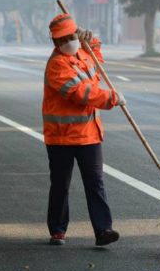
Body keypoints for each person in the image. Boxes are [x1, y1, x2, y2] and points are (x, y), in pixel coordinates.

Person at [43, 13, 126, 246]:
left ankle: (103, 231)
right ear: (55, 43)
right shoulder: (57, 65)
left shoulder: (82, 53)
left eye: (72, 36)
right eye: (62, 40)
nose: (68, 42)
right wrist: (112, 98)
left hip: (88, 134)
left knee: (95, 182)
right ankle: (57, 230)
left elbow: (96, 60)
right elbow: (81, 93)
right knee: (61, 183)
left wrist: (90, 38)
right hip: (61, 138)